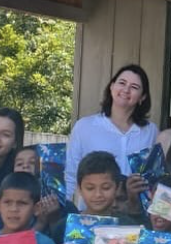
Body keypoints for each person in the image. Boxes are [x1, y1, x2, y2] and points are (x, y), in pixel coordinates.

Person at [65, 64, 158, 202]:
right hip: (93, 214)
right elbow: (71, 174)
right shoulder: (84, 127)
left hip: (134, 214)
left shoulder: (151, 132)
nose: (126, 89)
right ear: (111, 87)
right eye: (122, 83)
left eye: (134, 87)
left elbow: (154, 176)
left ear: (142, 97)